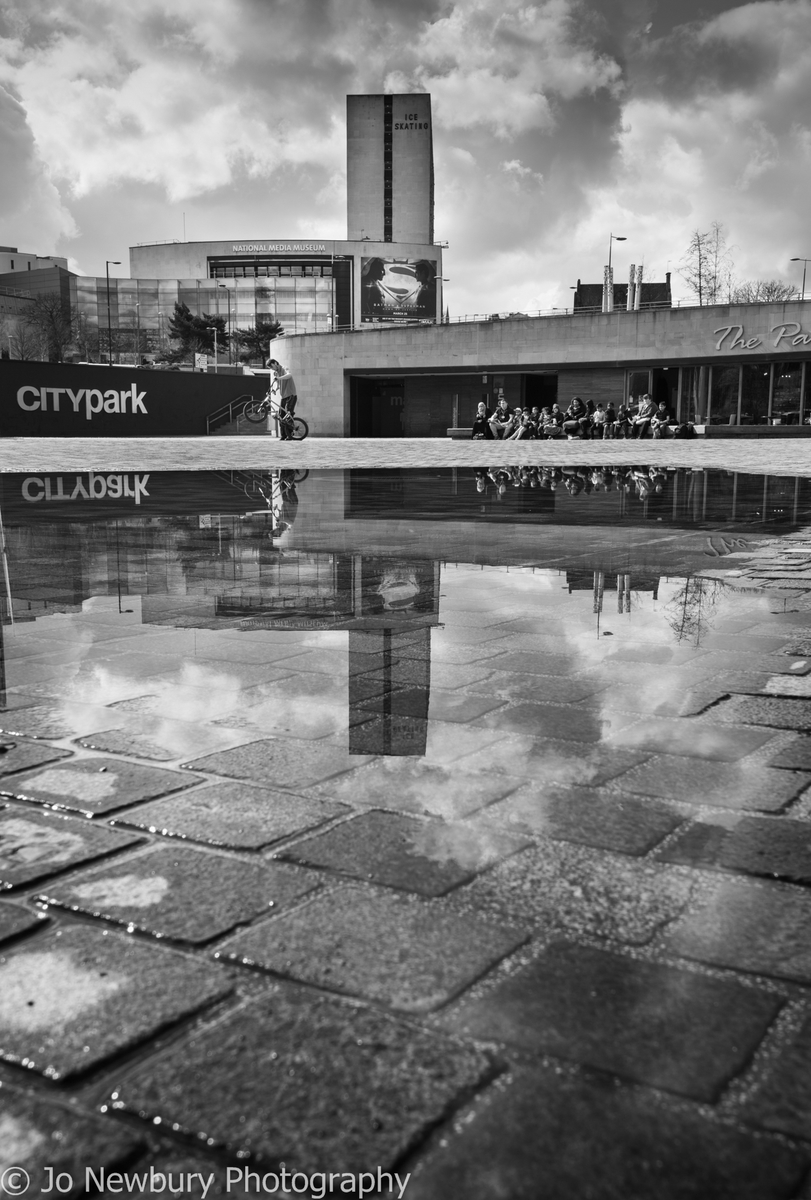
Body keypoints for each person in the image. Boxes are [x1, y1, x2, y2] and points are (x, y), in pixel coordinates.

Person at [269, 359, 298, 439]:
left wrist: (279, 378)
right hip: (284, 396)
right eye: (270, 368)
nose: (272, 369)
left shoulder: (284, 368)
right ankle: (283, 435)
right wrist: (275, 389)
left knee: (289, 414)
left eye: (272, 366)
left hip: (291, 395)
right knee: (281, 415)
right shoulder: (276, 373)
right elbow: (278, 385)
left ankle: (290, 434)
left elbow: (289, 375)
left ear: (275, 363)